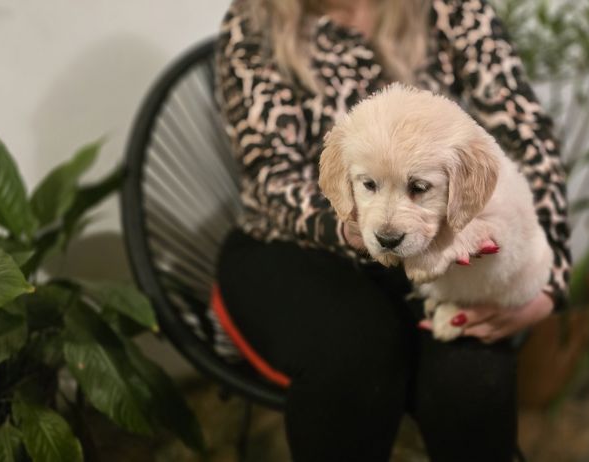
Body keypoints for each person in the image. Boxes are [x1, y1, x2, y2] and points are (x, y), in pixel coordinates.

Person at [213, 0, 570, 460]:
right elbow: (271, 177)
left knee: (472, 377)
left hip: (437, 244)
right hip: (292, 242)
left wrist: (548, 276)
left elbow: (527, 138)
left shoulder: (452, 7)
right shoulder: (256, 17)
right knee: (355, 361)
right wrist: (355, 225)